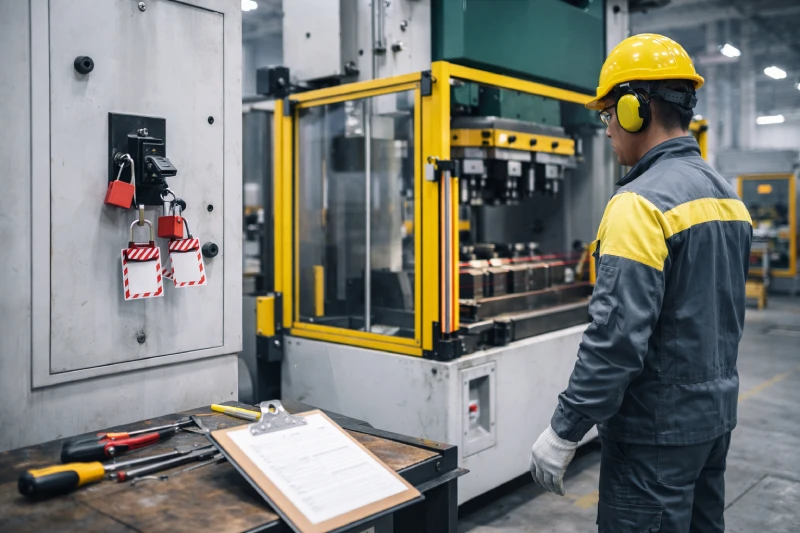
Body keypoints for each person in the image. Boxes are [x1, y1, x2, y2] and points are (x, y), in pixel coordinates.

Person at [528, 34, 753, 533]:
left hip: (655, 435)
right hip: (711, 423)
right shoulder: (727, 198)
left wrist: (565, 431)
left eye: (608, 114)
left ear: (635, 109)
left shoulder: (640, 203)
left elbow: (616, 340)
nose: (607, 129)